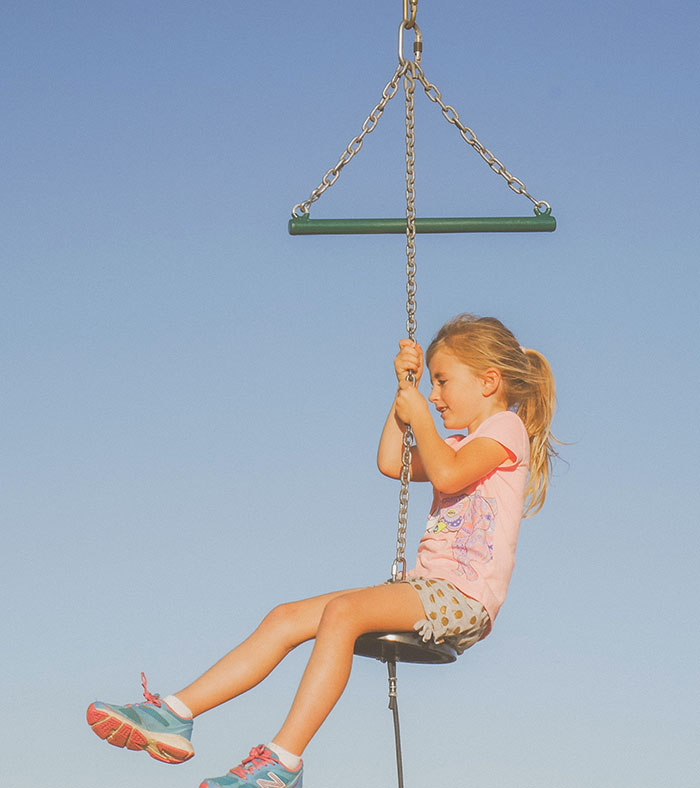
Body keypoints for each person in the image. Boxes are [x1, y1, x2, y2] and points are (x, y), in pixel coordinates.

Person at [86, 313, 557, 788]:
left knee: (343, 613)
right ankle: (174, 713)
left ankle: (283, 761)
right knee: (285, 617)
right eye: (431, 384)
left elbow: (450, 473)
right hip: (427, 588)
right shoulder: (455, 442)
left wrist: (420, 416)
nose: (434, 397)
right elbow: (392, 461)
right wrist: (403, 394)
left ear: (489, 381)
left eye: (442, 381)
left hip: (462, 597)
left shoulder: (505, 429)